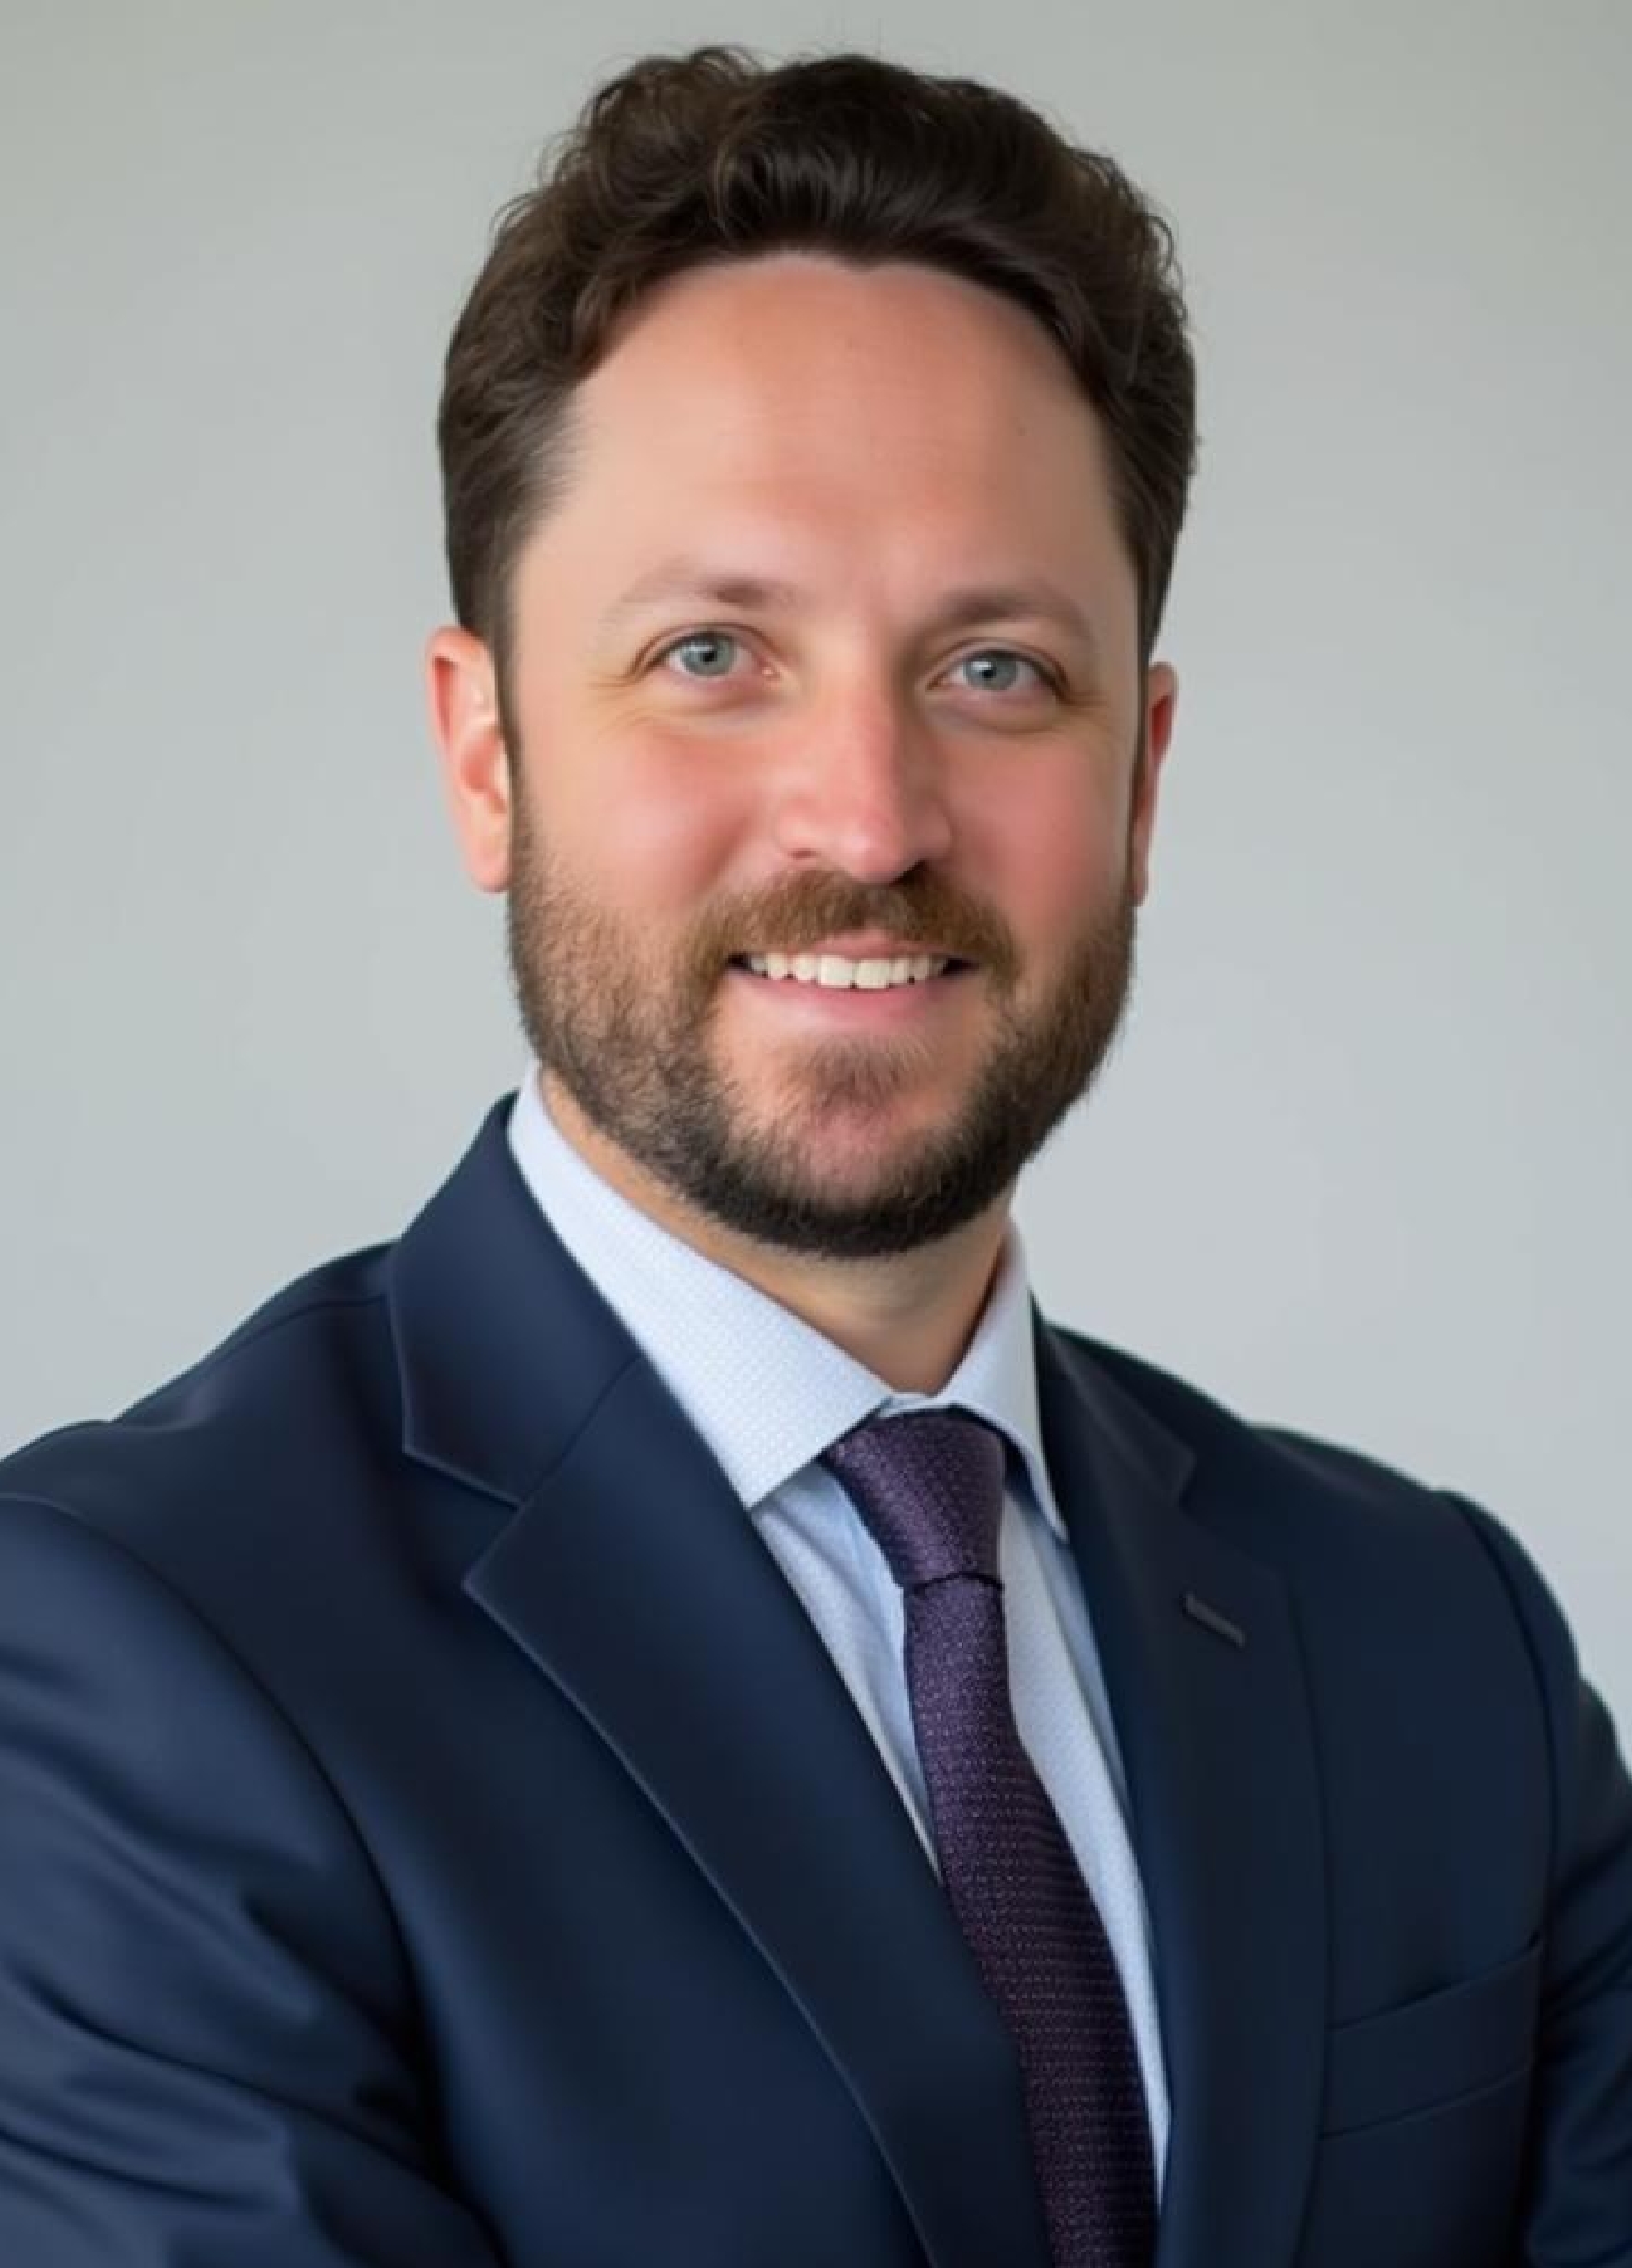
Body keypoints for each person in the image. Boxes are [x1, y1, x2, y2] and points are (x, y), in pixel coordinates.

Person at [0, 43, 1626, 2268]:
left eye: (994, 668)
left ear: (1140, 778)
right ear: (486, 757)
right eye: (711, 652)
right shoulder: (128, 1656)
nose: (866, 818)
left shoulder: (1444, 1649)